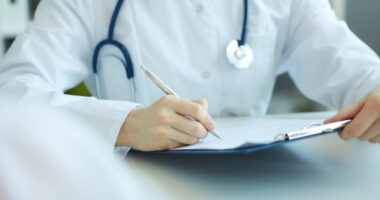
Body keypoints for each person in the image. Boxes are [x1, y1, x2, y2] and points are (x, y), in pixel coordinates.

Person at [0, 0, 380, 155]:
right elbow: (12, 93)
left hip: (261, 179)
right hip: (138, 183)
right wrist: (124, 124)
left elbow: (343, 58)